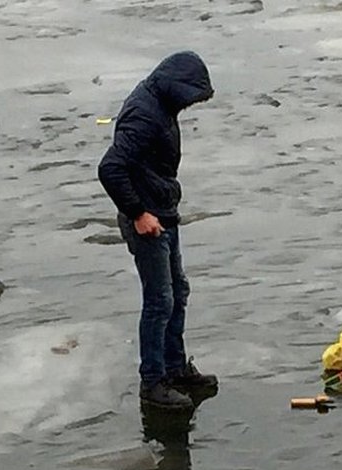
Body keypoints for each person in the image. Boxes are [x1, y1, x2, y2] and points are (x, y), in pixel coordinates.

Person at [98, 51, 218, 409]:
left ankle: (175, 367)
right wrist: (138, 213)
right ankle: (153, 382)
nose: (191, 105)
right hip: (147, 220)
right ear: (175, 86)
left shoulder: (160, 104)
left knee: (178, 290)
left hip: (163, 211)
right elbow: (110, 168)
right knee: (159, 300)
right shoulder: (145, 114)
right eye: (191, 96)